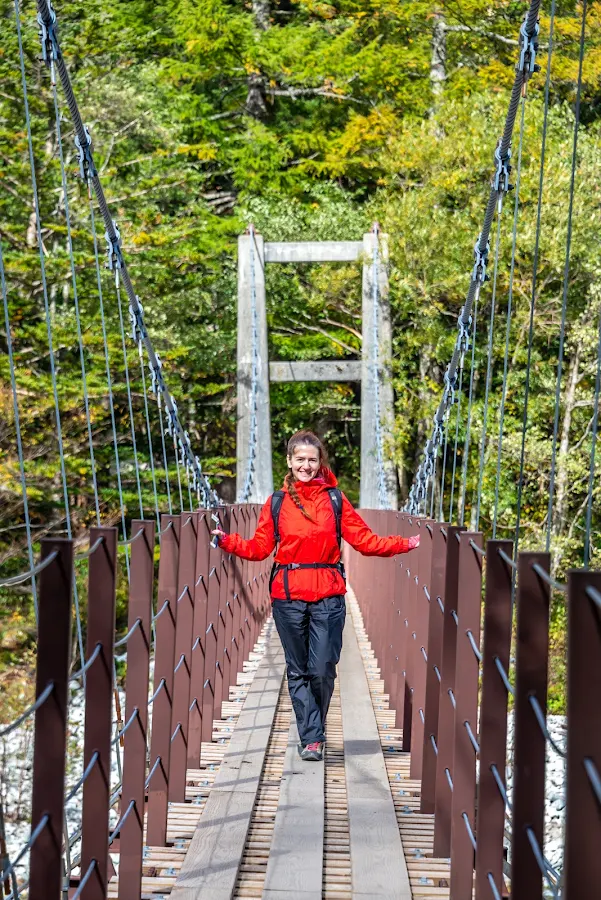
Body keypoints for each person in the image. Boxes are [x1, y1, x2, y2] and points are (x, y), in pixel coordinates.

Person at [212, 430, 420, 762]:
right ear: (290, 462)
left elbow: (365, 541)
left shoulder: (335, 500)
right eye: (300, 460)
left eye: (312, 460)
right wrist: (228, 542)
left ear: (320, 462)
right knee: (298, 669)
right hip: (288, 594)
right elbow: (259, 548)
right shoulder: (276, 503)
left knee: (322, 667)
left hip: (328, 592)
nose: (306, 466)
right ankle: (312, 738)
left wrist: (403, 544)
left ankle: (313, 728)